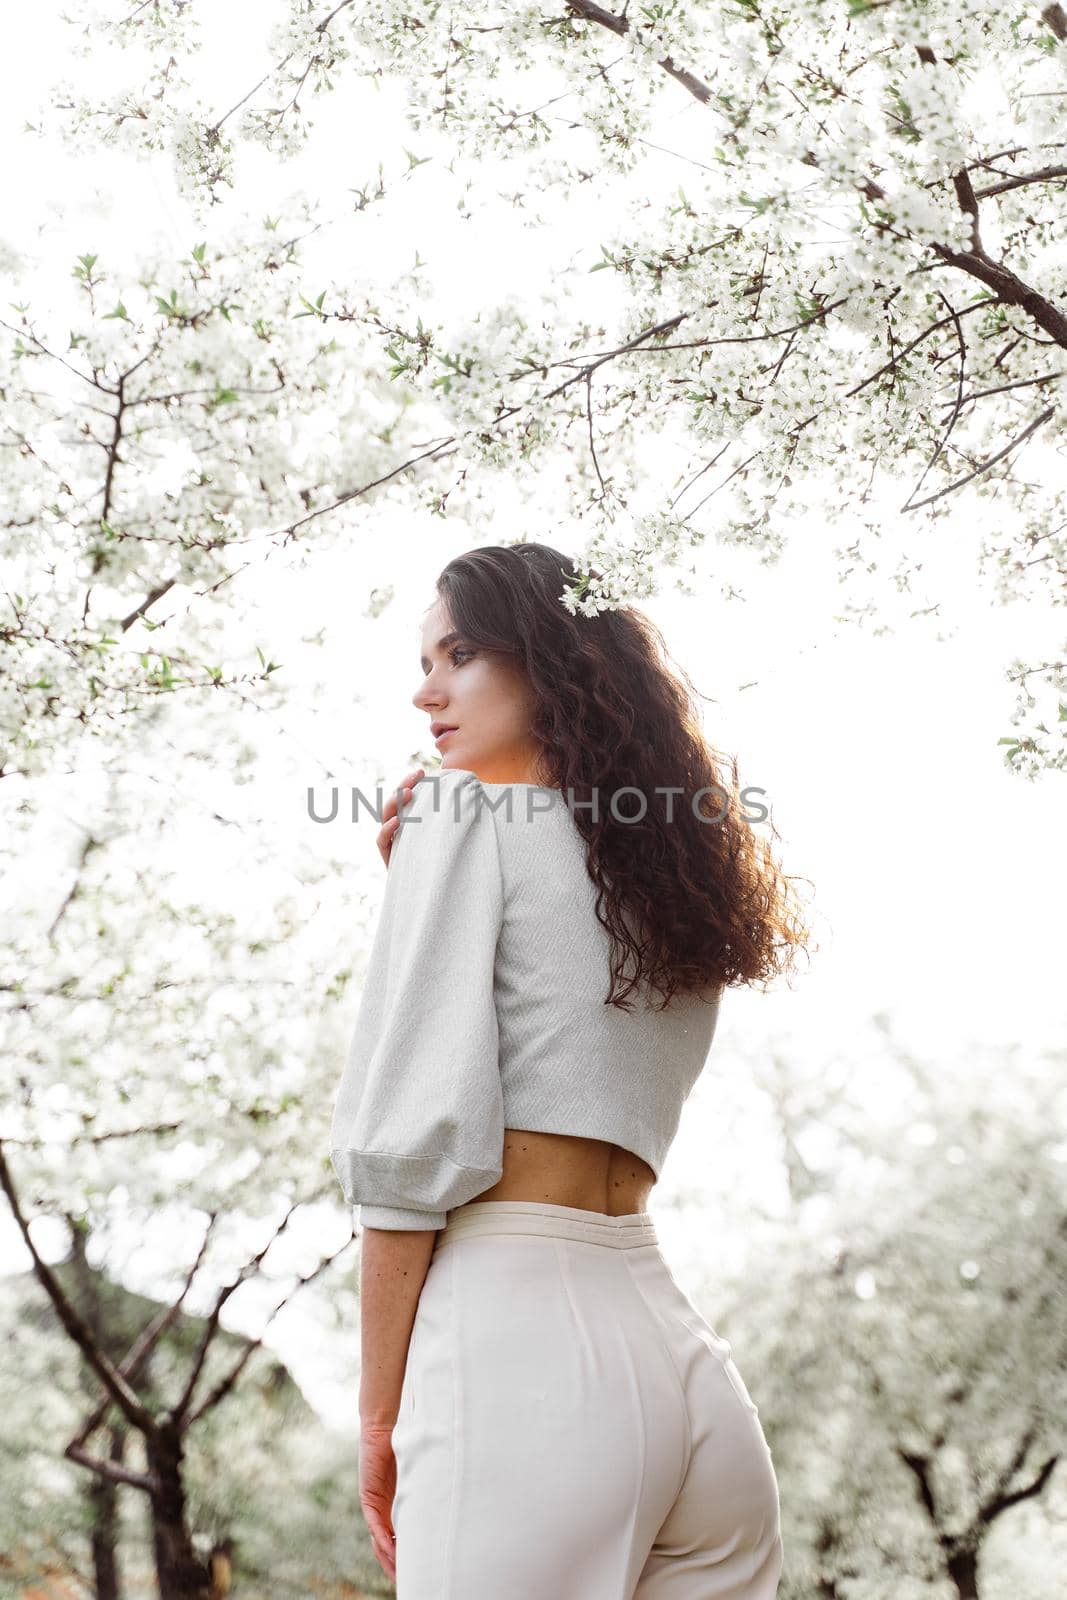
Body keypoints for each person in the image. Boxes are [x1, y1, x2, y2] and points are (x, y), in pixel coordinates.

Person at [329, 542, 813, 1597]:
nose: (425, 691)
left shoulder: (455, 817)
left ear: (548, 659)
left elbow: (409, 1147)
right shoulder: (671, 880)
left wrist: (376, 1417)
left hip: (522, 1348)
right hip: (683, 1374)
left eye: (459, 653)